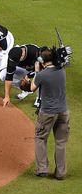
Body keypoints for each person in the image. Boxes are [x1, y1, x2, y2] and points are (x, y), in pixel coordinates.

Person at [31, 47, 70, 180]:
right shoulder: (62, 71)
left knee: (40, 138)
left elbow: (32, 88)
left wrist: (37, 70)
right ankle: (60, 173)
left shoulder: (42, 75)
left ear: (41, 60)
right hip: (63, 112)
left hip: (47, 112)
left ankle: (42, 169)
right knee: (60, 142)